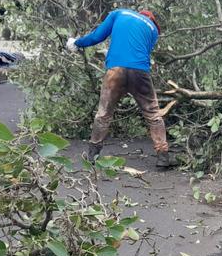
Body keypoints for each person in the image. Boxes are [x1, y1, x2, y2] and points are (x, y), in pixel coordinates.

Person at [67, 8, 168, 161]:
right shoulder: (153, 30)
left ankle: (92, 155)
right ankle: (163, 156)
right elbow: (138, 50)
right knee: (153, 114)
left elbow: (97, 36)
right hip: (140, 72)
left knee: (104, 113)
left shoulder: (119, 13)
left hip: (116, 71)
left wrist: (77, 43)